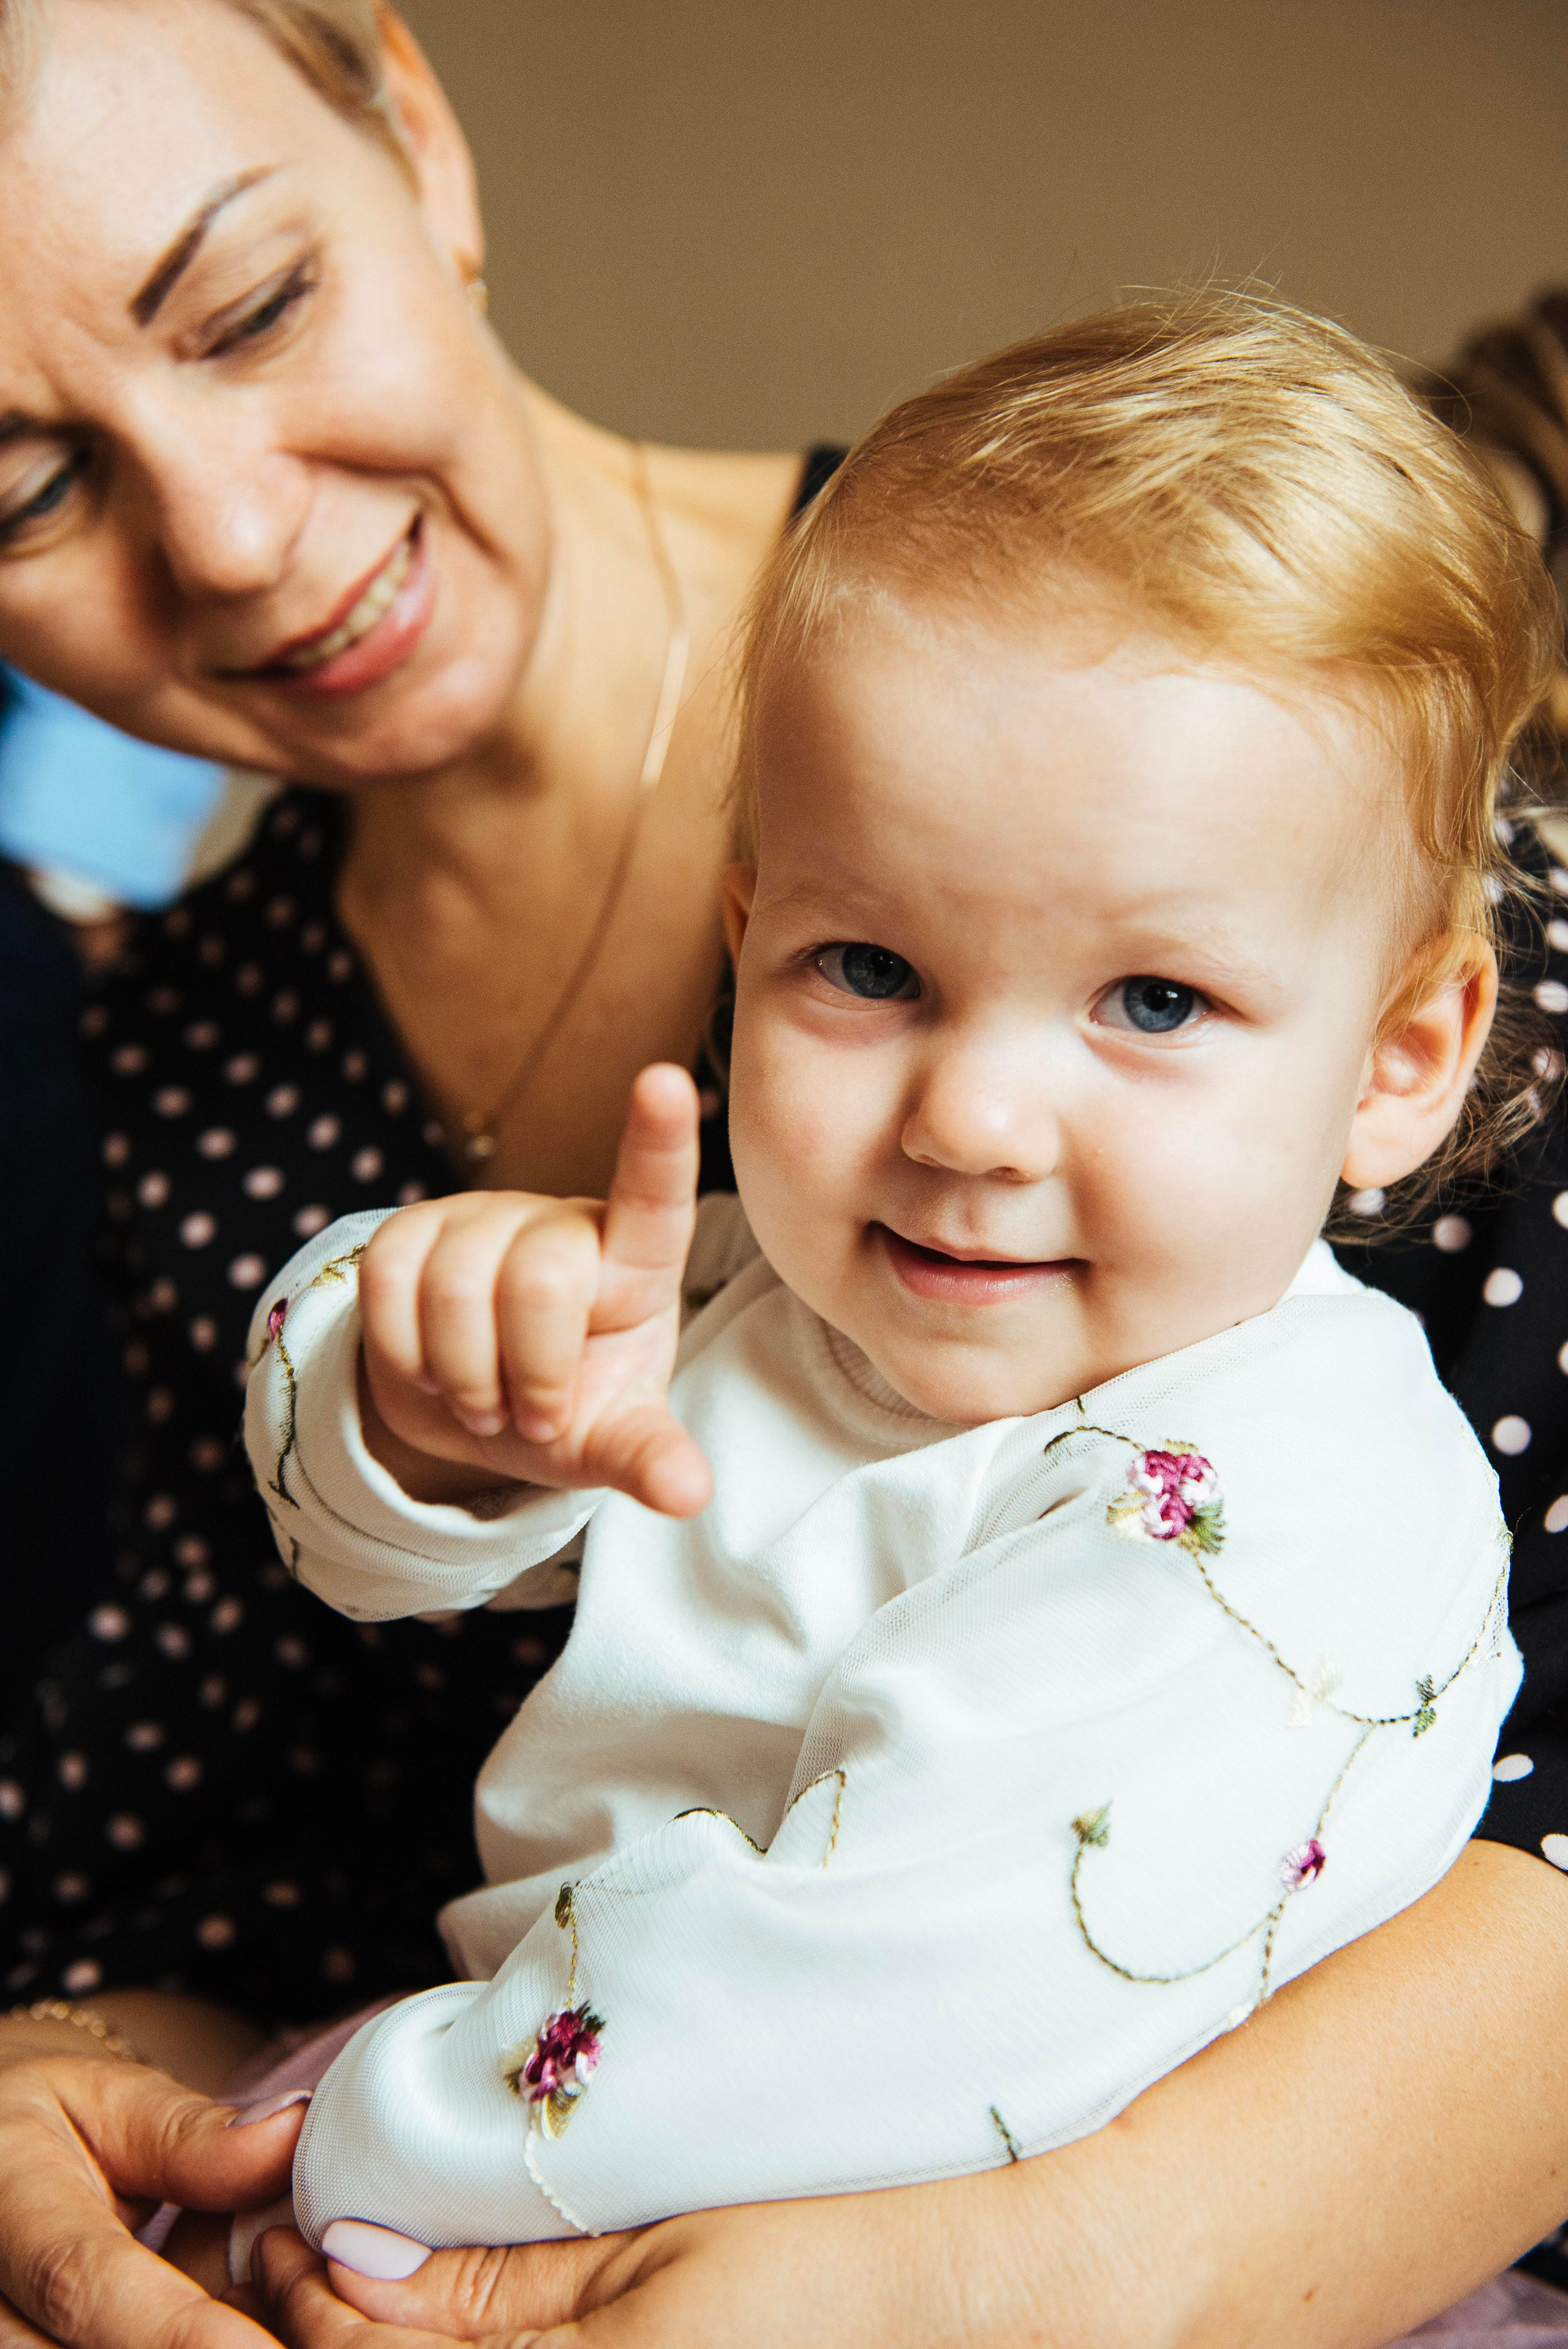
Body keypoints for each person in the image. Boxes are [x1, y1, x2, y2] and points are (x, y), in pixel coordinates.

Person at [0, 1, 1561, 2342]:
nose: (229, 531)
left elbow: (961, 1957)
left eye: (250, 302)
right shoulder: (190, 1101)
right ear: (754, 926)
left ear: (419, 138)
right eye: (15, 481)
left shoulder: (1226, 740)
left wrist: (365, 2173)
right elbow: (181, 1826)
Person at [244, 294, 1536, 2261]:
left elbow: (882, 2008)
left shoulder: (1294, 1492)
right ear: (747, 934)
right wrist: (425, 1397)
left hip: (801, 2203)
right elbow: (359, 1541)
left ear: (1399, 1060)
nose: (978, 1119)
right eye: (870, 970)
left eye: (1157, 999)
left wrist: (319, 2171)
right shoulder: (780, 1292)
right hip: (536, 2114)